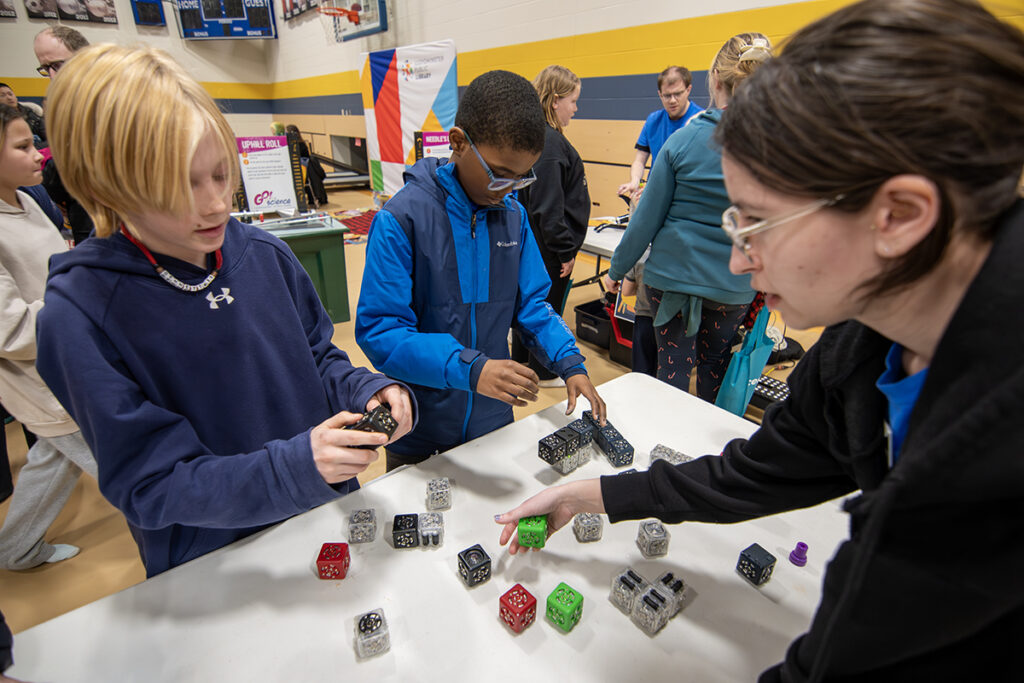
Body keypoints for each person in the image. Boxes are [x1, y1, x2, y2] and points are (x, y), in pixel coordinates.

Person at [497, 0, 1024, 679]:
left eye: (757, 224)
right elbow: (756, 470)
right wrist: (590, 495)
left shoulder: (984, 460)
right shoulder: (862, 347)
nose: (739, 260)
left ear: (897, 215)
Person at [36, 44, 416, 578]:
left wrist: (366, 390)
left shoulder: (263, 254)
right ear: (108, 186)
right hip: (216, 563)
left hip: (324, 516)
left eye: (220, 174)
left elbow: (316, 358)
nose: (215, 202)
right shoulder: (80, 317)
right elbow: (151, 484)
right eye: (181, 186)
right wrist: (296, 465)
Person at [356, 70, 606, 470]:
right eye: (498, 174)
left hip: (492, 418)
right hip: (420, 425)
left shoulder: (514, 218)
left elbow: (533, 307)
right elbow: (382, 332)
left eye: (520, 179)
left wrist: (570, 363)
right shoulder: (402, 219)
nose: (507, 189)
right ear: (457, 143)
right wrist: (470, 369)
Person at [602, 34, 772, 402]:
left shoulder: (683, 141)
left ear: (713, 81)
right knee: (715, 366)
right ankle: (707, 455)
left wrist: (617, 273)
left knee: (672, 370)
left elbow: (644, 222)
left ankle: (667, 452)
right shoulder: (778, 146)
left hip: (672, 281)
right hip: (734, 286)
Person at [0, 104, 97, 571]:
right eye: (21, 147)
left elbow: (55, 272)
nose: (39, 155)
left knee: (53, 460)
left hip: (69, 363)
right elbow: (11, 329)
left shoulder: (27, 201)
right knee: (122, 466)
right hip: (41, 379)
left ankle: (15, 549)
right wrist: (85, 293)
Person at [510, 65, 591, 386]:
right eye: (573, 100)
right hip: (548, 248)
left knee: (527, 304)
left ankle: (521, 361)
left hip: (535, 242)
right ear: (555, 100)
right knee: (544, 308)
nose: (575, 108)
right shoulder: (551, 144)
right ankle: (542, 370)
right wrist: (565, 250)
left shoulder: (536, 137)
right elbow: (548, 208)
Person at [33, 26, 93, 246]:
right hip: (88, 222)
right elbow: (59, 175)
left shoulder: (117, 97)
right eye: (45, 68)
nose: (52, 75)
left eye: (57, 65)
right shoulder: (62, 107)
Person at [616, 66, 703, 200]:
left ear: (688, 90)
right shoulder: (653, 120)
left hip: (686, 198)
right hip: (656, 195)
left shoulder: (701, 120)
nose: (672, 100)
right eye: (667, 95)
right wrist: (635, 181)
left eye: (678, 94)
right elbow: (639, 161)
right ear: (660, 94)